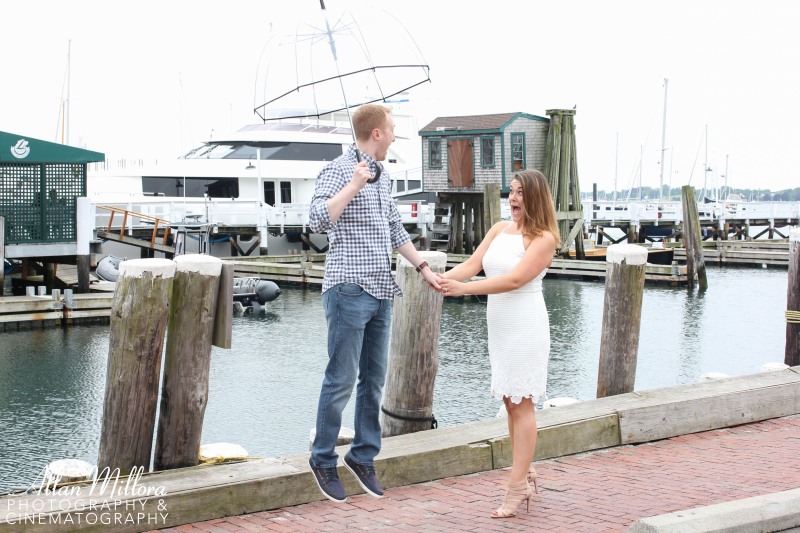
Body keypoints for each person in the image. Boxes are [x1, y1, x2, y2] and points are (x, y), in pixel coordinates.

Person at [307, 103, 441, 503]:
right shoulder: (338, 170)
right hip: (348, 287)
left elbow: (394, 228)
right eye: (393, 129)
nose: (396, 135)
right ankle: (323, 459)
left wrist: (422, 268)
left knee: (374, 380)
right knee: (341, 379)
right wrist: (353, 185)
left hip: (383, 290)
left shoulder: (383, 176)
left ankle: (363, 456)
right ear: (376, 133)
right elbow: (315, 221)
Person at [437, 170, 560, 518]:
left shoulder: (545, 238)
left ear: (535, 197)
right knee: (510, 402)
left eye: (521, 193)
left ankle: (517, 485)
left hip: (526, 325)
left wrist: (464, 290)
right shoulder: (498, 229)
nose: (514, 198)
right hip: (501, 326)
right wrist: (441, 278)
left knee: (523, 404)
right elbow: (474, 265)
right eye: (512, 192)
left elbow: (516, 279)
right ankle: (526, 470)